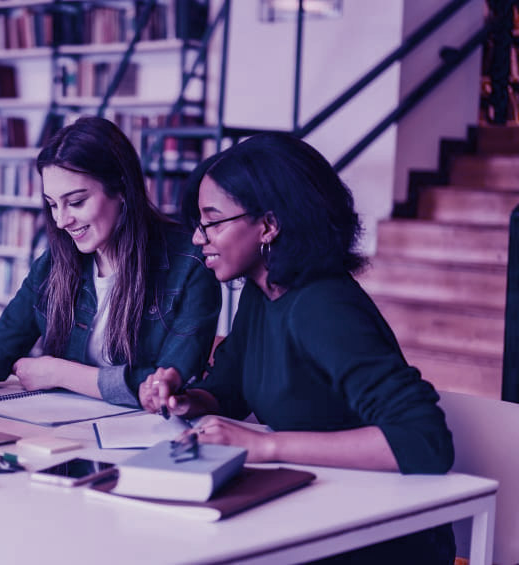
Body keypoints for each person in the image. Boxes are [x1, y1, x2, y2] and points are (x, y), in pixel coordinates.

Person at [139, 132, 455, 564]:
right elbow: (231, 388)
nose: (198, 238)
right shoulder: (262, 290)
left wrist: (266, 445)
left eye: (212, 221)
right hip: (313, 507)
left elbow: (424, 441)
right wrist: (187, 400)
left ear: (268, 225)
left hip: (375, 534)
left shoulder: (323, 306)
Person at [0, 116, 221, 407]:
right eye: (52, 205)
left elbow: (166, 388)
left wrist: (60, 373)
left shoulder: (191, 264)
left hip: (149, 440)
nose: (61, 221)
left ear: (122, 190)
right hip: (64, 431)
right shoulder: (55, 264)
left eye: (76, 202)